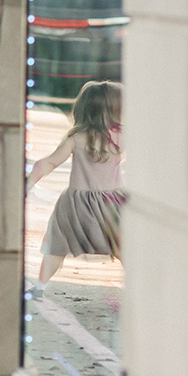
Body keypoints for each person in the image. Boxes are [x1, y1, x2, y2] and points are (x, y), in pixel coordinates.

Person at [26, 80, 124, 299]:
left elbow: (48, 163)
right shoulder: (121, 138)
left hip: (77, 205)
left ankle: (40, 286)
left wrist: (28, 183)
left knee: (56, 245)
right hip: (112, 204)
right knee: (124, 245)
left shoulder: (76, 138)